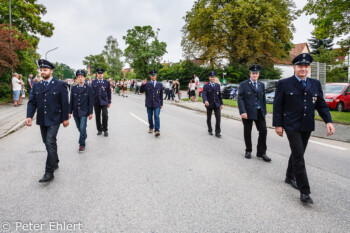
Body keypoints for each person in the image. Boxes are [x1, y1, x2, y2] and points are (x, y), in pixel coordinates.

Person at [273, 53, 335, 204]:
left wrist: (328, 121)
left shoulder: (315, 84)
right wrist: (278, 124)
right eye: (300, 66)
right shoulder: (284, 84)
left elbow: (321, 104)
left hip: (307, 125)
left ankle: (289, 176)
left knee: (297, 152)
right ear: (294, 67)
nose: (303, 69)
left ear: (309, 68)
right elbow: (277, 105)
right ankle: (304, 191)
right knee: (299, 156)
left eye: (306, 66)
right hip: (291, 125)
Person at [26, 59, 69, 183]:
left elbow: (64, 102)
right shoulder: (37, 85)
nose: (42, 72)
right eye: (41, 70)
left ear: (51, 71)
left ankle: (49, 172)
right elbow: (32, 102)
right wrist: (29, 116)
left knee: (50, 141)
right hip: (42, 119)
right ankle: (54, 161)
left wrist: (65, 118)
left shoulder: (60, 84)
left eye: (45, 70)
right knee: (47, 142)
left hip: (55, 118)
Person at [237, 64, 271, 162]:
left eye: (256, 73)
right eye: (253, 73)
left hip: (260, 112)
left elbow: (263, 99)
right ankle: (248, 150)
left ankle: (261, 153)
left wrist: (264, 111)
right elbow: (240, 98)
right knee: (247, 131)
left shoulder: (261, 85)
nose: (254, 75)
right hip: (247, 112)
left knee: (263, 131)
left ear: (259, 74)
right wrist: (242, 111)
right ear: (250, 74)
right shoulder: (243, 84)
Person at [69, 69, 94, 153]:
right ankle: (84, 135)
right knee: (79, 127)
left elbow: (91, 102)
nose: (80, 78)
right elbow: (71, 101)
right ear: (76, 78)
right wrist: (69, 112)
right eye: (78, 77)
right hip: (76, 111)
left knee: (82, 127)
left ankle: (81, 144)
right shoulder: (73, 88)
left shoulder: (88, 88)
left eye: (82, 77)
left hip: (84, 111)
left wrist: (90, 113)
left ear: (84, 78)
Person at [140, 70, 163, 137]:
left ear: (156, 76)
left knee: (156, 116)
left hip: (157, 103)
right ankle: (151, 127)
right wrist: (143, 85)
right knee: (150, 117)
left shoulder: (160, 84)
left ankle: (157, 130)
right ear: (150, 76)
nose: (153, 77)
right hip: (149, 103)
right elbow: (141, 91)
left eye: (154, 75)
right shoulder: (147, 84)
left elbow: (161, 95)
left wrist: (161, 104)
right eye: (152, 75)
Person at [202, 71, 223, 138]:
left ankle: (217, 132)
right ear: (209, 78)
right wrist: (205, 101)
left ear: (215, 78)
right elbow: (204, 94)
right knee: (209, 118)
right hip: (209, 104)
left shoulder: (218, 86)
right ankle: (210, 130)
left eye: (213, 77)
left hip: (217, 104)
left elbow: (220, 96)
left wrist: (221, 104)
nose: (212, 78)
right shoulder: (206, 86)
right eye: (211, 77)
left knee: (218, 118)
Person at [91, 68, 111, 137]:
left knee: (105, 115)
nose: (100, 75)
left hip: (104, 101)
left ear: (103, 74)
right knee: (97, 116)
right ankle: (99, 129)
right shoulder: (93, 82)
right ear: (97, 74)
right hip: (96, 101)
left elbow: (109, 92)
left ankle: (105, 130)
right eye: (99, 74)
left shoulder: (107, 82)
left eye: (101, 74)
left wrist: (109, 101)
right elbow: (91, 92)